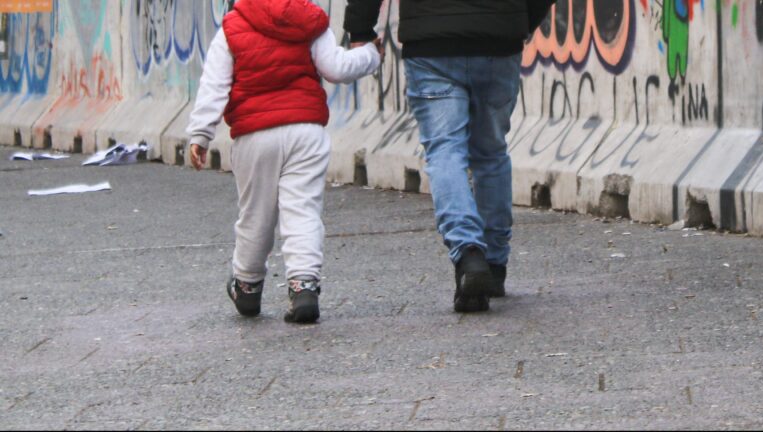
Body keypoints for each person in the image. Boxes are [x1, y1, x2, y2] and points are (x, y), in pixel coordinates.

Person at [344, 0, 556, 313]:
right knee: (491, 152)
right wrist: (520, 22)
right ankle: (494, 264)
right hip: (498, 40)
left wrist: (361, 29)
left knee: (445, 150)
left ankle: (469, 252)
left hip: (432, 44)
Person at [186, 0, 383, 323]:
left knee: (255, 214)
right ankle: (304, 286)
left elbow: (214, 86)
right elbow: (336, 68)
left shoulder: (232, 28)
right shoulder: (309, 20)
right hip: (305, 131)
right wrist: (371, 54)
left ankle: (247, 286)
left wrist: (200, 135)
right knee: (302, 209)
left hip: (254, 136)